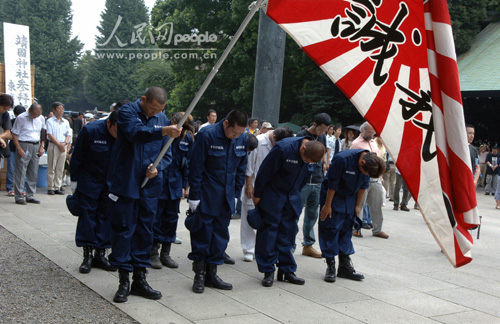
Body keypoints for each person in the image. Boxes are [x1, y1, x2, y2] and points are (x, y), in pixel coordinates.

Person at [106, 87, 181, 303]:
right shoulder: (127, 112)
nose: (154, 113)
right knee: (124, 230)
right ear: (143, 100)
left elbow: (167, 153)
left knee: (145, 231)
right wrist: (163, 130)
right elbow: (134, 134)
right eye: (152, 108)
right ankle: (123, 281)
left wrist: (158, 168)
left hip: (150, 186)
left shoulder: (161, 119)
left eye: (159, 111)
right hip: (126, 183)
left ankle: (140, 279)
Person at [187, 109, 249, 294]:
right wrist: (194, 196)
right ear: (226, 123)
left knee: (220, 236)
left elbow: (241, 168)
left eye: (240, 133)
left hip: (227, 196)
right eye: (234, 132)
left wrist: (236, 193)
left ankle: (212, 273)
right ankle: (199, 274)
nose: (235, 136)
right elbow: (196, 167)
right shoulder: (208, 134)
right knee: (202, 234)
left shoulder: (242, 138)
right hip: (207, 193)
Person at [253, 138, 325, 287]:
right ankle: (268, 270)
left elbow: (305, 177)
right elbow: (264, 171)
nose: (307, 162)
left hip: (292, 197)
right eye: (306, 159)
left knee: (288, 233)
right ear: (303, 149)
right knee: (268, 234)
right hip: (273, 195)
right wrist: (258, 194)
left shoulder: (311, 156)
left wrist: (296, 194)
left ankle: (287, 270)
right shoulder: (283, 149)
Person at [319, 150, 385, 282]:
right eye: (365, 172)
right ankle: (330, 265)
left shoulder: (370, 164)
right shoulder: (343, 159)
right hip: (333, 196)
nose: (366, 175)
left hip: (350, 197)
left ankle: (344, 266)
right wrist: (327, 205)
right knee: (330, 228)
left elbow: (363, 186)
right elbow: (333, 184)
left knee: (346, 229)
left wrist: (357, 206)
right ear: (362, 162)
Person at [69, 110, 119, 274]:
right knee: (88, 217)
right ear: (108, 124)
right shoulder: (91, 130)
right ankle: (88, 255)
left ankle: (101, 254)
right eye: (116, 130)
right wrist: (74, 181)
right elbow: (77, 156)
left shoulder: (124, 134)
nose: (118, 135)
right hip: (89, 181)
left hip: (110, 183)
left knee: (105, 218)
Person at [240, 127, 294, 262]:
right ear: (274, 137)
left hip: (269, 189)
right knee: (249, 217)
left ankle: (263, 249)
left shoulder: (282, 146)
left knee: (266, 220)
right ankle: (248, 249)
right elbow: (248, 165)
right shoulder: (258, 142)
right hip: (252, 184)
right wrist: (249, 185)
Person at [151, 112, 195, 270]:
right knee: (156, 217)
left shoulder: (188, 138)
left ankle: (166, 253)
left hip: (175, 184)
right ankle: (153, 252)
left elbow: (188, 164)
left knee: (171, 218)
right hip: (160, 181)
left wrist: (185, 185)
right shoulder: (165, 135)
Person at [296, 113, 331, 258]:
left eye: (325, 130)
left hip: (317, 180)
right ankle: (288, 246)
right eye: (321, 129)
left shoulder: (322, 137)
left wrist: (323, 163)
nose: (322, 133)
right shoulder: (301, 135)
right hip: (303, 182)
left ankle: (308, 245)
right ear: (315, 124)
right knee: (295, 213)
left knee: (312, 214)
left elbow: (323, 152)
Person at [350, 122, 388, 239]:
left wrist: (380, 177)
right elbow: (352, 161)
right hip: (362, 178)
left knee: (377, 206)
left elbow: (379, 159)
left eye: (373, 132)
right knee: (359, 205)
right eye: (369, 132)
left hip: (375, 179)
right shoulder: (356, 144)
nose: (372, 134)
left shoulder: (373, 143)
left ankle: (377, 229)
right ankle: (356, 228)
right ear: (363, 131)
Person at [11, 103, 46, 205]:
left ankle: (30, 195)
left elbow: (43, 132)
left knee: (33, 171)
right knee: (21, 170)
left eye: (37, 115)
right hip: (24, 144)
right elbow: (14, 134)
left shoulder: (41, 118)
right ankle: (19, 196)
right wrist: (19, 148)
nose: (35, 117)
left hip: (36, 144)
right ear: (30, 111)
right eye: (34, 115)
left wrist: (42, 146)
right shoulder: (21, 118)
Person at [46, 102, 71, 195]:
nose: (61, 111)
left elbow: (68, 135)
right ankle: (50, 187)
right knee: (51, 167)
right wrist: (59, 144)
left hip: (63, 146)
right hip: (54, 145)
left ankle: (57, 186)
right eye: (59, 108)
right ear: (54, 109)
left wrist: (64, 143)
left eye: (62, 108)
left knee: (60, 168)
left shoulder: (66, 122)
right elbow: (49, 134)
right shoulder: (50, 121)